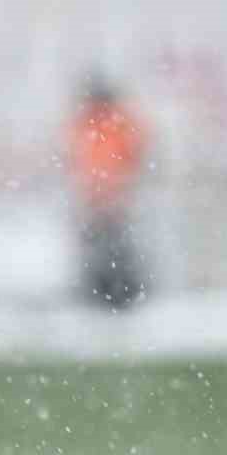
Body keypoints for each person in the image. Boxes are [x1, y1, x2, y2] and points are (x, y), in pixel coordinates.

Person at [68, 77, 148, 308]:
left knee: (112, 250)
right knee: (106, 250)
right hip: (105, 198)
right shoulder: (108, 124)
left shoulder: (102, 125)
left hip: (107, 198)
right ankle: (109, 293)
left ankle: (114, 293)